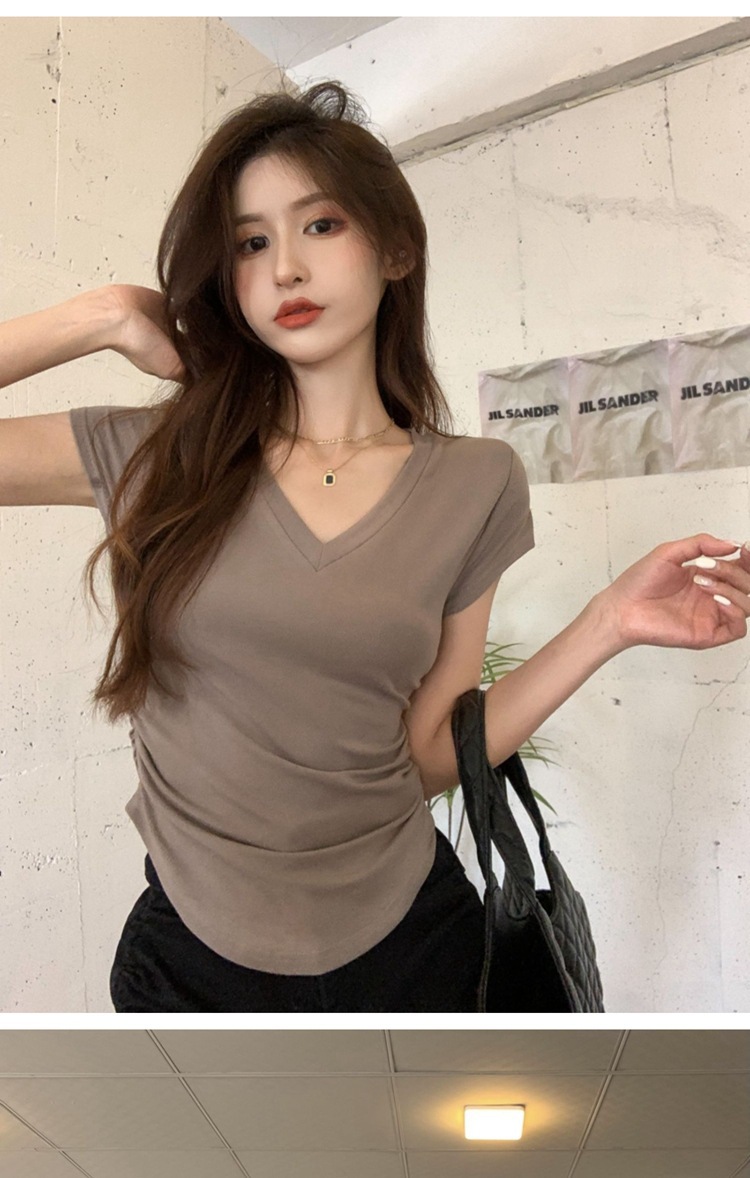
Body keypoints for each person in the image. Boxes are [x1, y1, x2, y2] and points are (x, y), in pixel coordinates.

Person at [1, 80, 748, 1013]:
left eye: (321, 226)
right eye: (250, 243)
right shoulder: (155, 457)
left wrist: (608, 623)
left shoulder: (476, 480)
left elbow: (431, 755)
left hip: (412, 943)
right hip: (192, 960)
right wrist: (99, 316)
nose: (286, 269)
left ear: (395, 248)